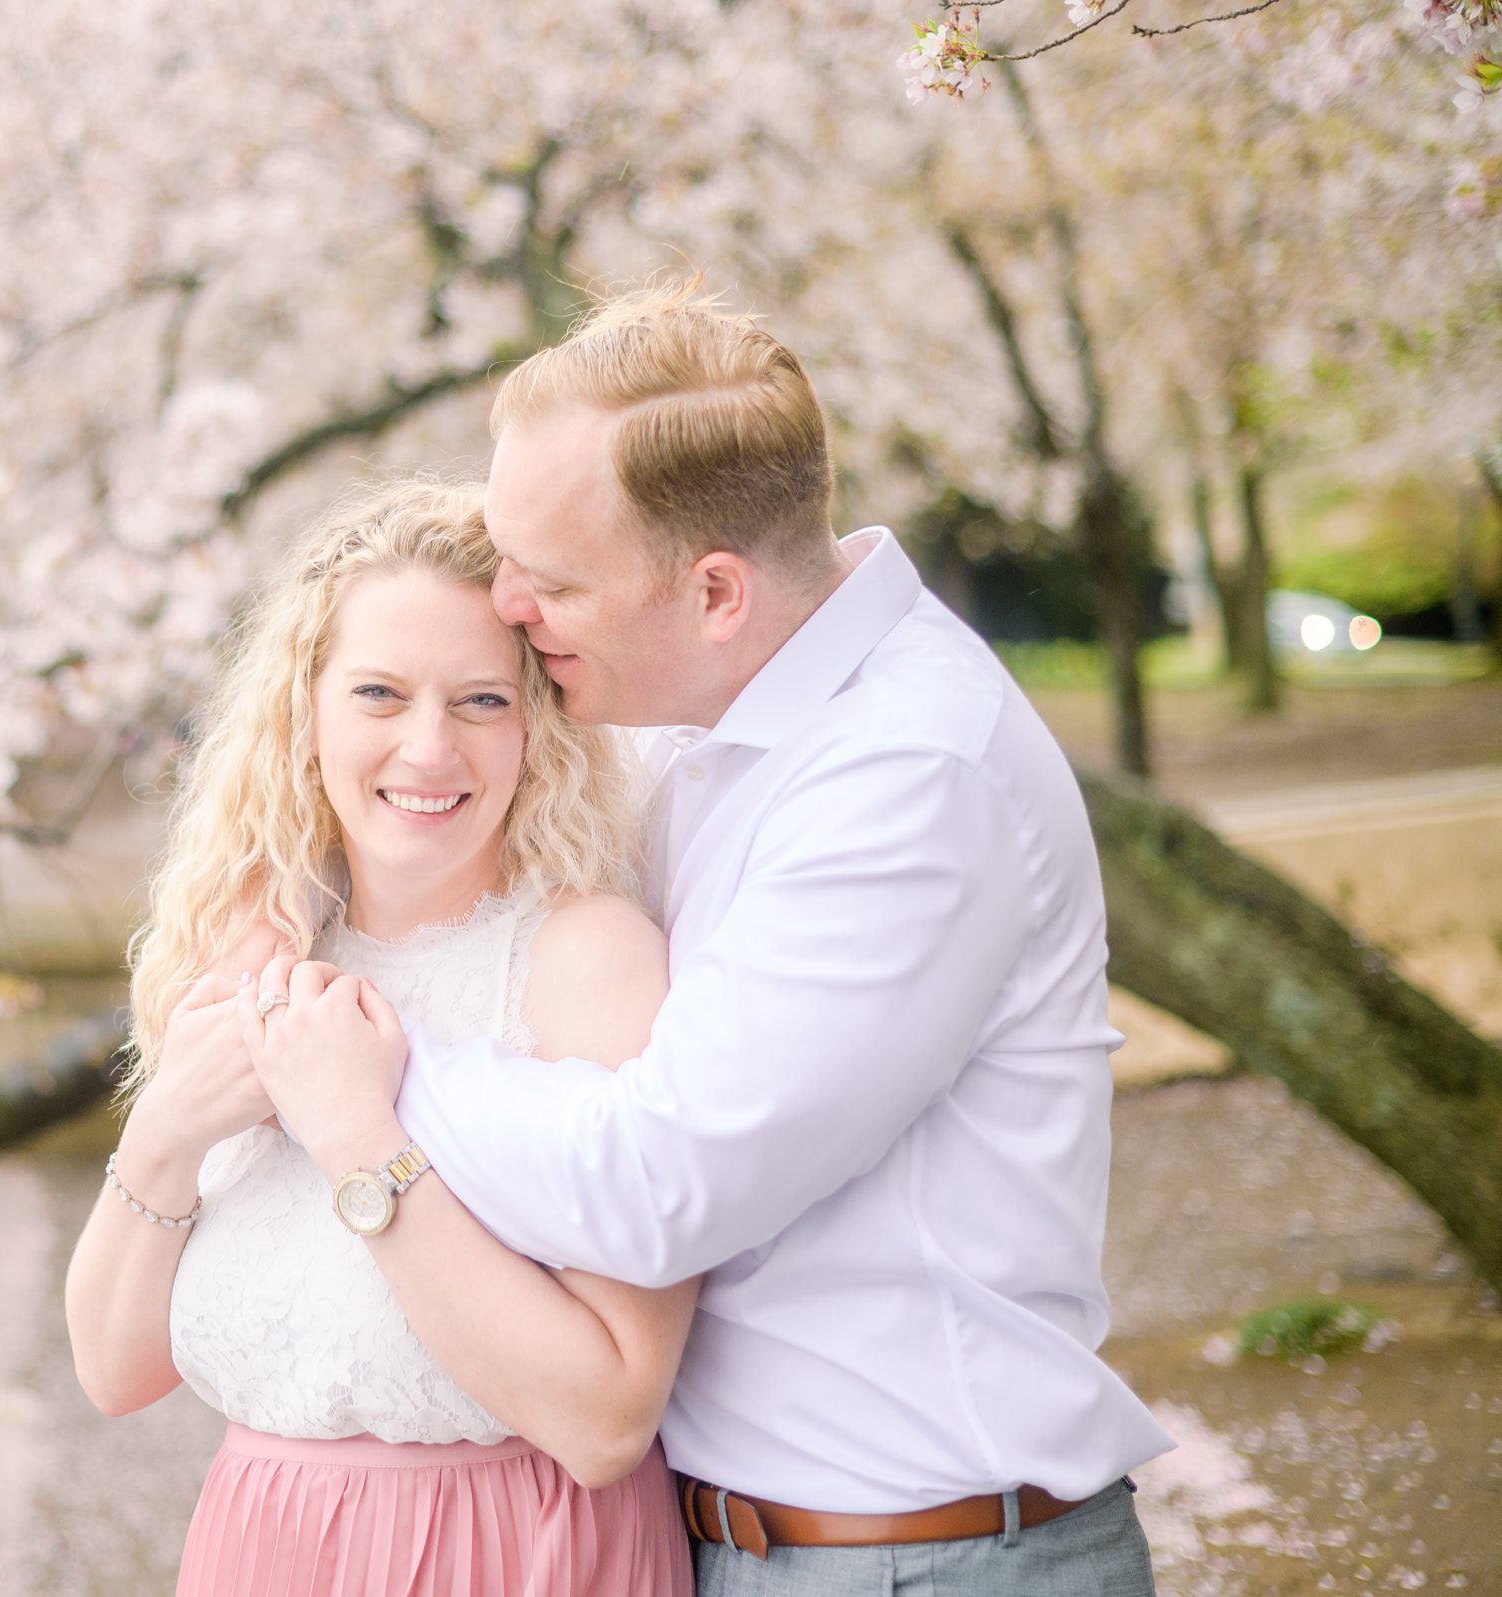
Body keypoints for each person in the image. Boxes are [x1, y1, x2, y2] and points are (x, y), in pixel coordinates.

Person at [250, 281, 1176, 1597]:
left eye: (552, 578)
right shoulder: (689, 703)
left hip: (932, 1560)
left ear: (717, 591)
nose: (509, 606)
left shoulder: (909, 778)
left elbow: (657, 1185)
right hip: (740, 1550)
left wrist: (370, 1082)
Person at [62, 479, 694, 1595]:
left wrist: (359, 1135)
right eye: (379, 693)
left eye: (481, 701)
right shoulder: (249, 952)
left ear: (537, 719)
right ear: (305, 711)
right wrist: (165, 1131)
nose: (428, 748)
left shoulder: (592, 963)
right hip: (260, 1548)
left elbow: (605, 1420)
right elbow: (115, 1371)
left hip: (516, 1557)